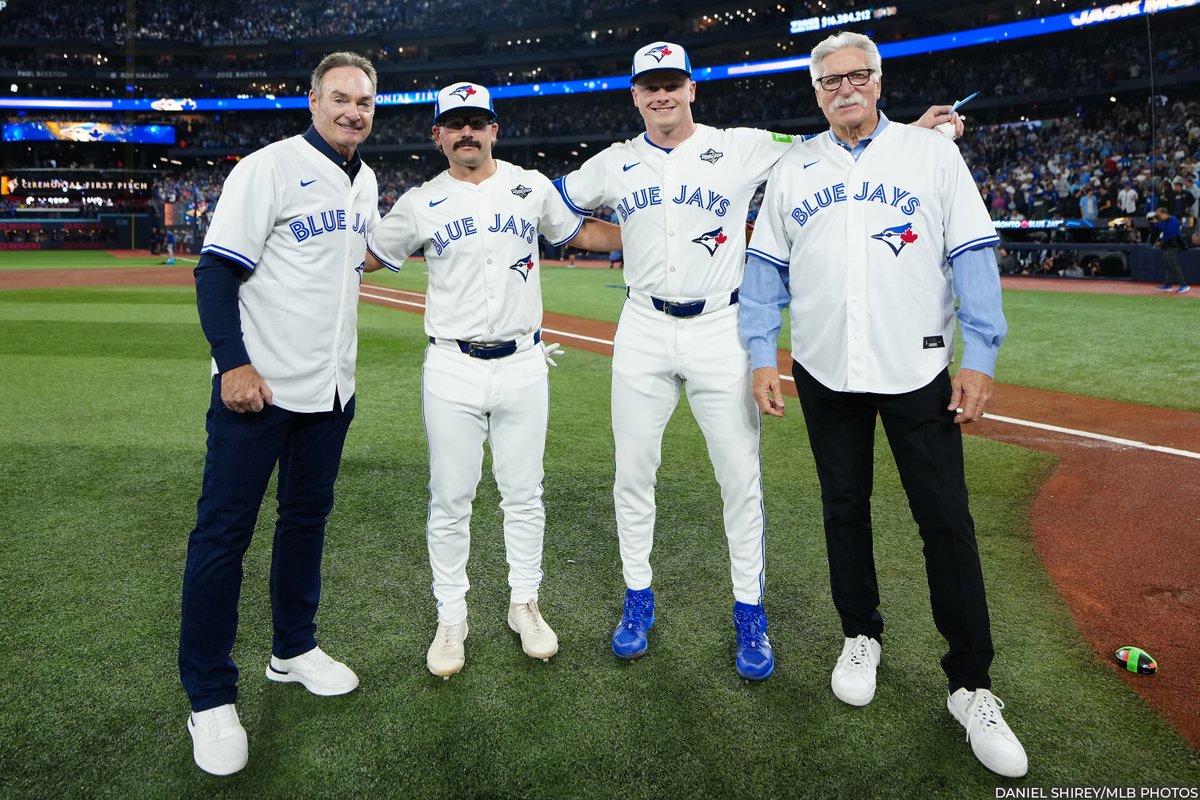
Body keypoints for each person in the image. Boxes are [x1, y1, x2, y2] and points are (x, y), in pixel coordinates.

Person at [555, 41, 964, 681]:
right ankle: (638, 600)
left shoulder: (743, 144)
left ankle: (751, 611)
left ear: (692, 88)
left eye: (672, 83)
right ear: (635, 95)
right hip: (641, 325)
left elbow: (821, 144)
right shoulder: (613, 163)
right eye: (648, 85)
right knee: (633, 473)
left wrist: (912, 130)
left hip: (719, 323)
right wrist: (612, 235)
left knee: (739, 479)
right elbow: (561, 215)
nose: (661, 95)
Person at [739, 31, 1027, 777]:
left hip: (919, 368)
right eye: (829, 79)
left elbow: (972, 254)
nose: (844, 88)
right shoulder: (795, 167)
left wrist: (982, 357)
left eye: (857, 75)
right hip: (826, 369)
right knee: (844, 505)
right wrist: (759, 356)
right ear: (815, 91)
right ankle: (859, 633)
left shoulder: (932, 154)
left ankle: (971, 684)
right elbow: (765, 272)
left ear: (878, 81)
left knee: (946, 522)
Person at [363, 83, 620, 679]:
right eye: (455, 123)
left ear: (494, 129)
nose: (467, 132)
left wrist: (654, 238)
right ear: (438, 135)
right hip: (451, 365)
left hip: (524, 363)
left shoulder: (529, 186)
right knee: (450, 500)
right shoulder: (422, 200)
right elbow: (370, 255)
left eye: (477, 121)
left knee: (523, 494)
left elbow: (579, 233)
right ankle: (451, 615)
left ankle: (523, 602)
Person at [179, 51, 379, 776]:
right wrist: (232, 362)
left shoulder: (367, 180)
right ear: (312, 100)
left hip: (329, 394)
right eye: (340, 98)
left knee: (305, 523)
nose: (352, 110)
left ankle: (292, 649)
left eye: (363, 101)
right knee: (223, 536)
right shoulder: (268, 167)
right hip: (255, 392)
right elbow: (215, 270)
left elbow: (346, 265)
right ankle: (207, 694)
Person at [1151, 207, 1190, 293]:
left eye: (1160, 215)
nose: (1159, 217)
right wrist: (1155, 224)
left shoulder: (1173, 219)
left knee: (1174, 264)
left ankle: (1184, 285)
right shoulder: (1165, 221)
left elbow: (1168, 231)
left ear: (1165, 213)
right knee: (1168, 265)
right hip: (1167, 245)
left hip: (1174, 244)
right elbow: (1157, 230)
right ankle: (1167, 285)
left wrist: (1158, 223)